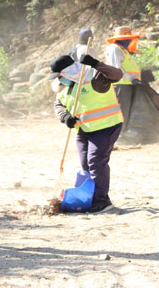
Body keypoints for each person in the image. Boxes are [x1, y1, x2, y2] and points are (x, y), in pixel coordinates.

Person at [51, 52, 124, 213]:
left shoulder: (94, 77)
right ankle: (90, 198)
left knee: (96, 162)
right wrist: (65, 117)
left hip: (106, 126)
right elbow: (58, 104)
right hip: (84, 129)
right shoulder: (65, 86)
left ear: (68, 72)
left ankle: (102, 202)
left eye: (60, 75)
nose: (59, 79)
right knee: (86, 165)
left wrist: (96, 63)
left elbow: (118, 75)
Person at [104, 26, 142, 125]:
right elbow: (116, 69)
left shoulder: (123, 50)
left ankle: (123, 132)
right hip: (121, 85)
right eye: (128, 38)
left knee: (126, 111)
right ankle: (119, 135)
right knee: (121, 111)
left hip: (127, 84)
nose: (130, 40)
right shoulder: (114, 49)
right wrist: (131, 78)